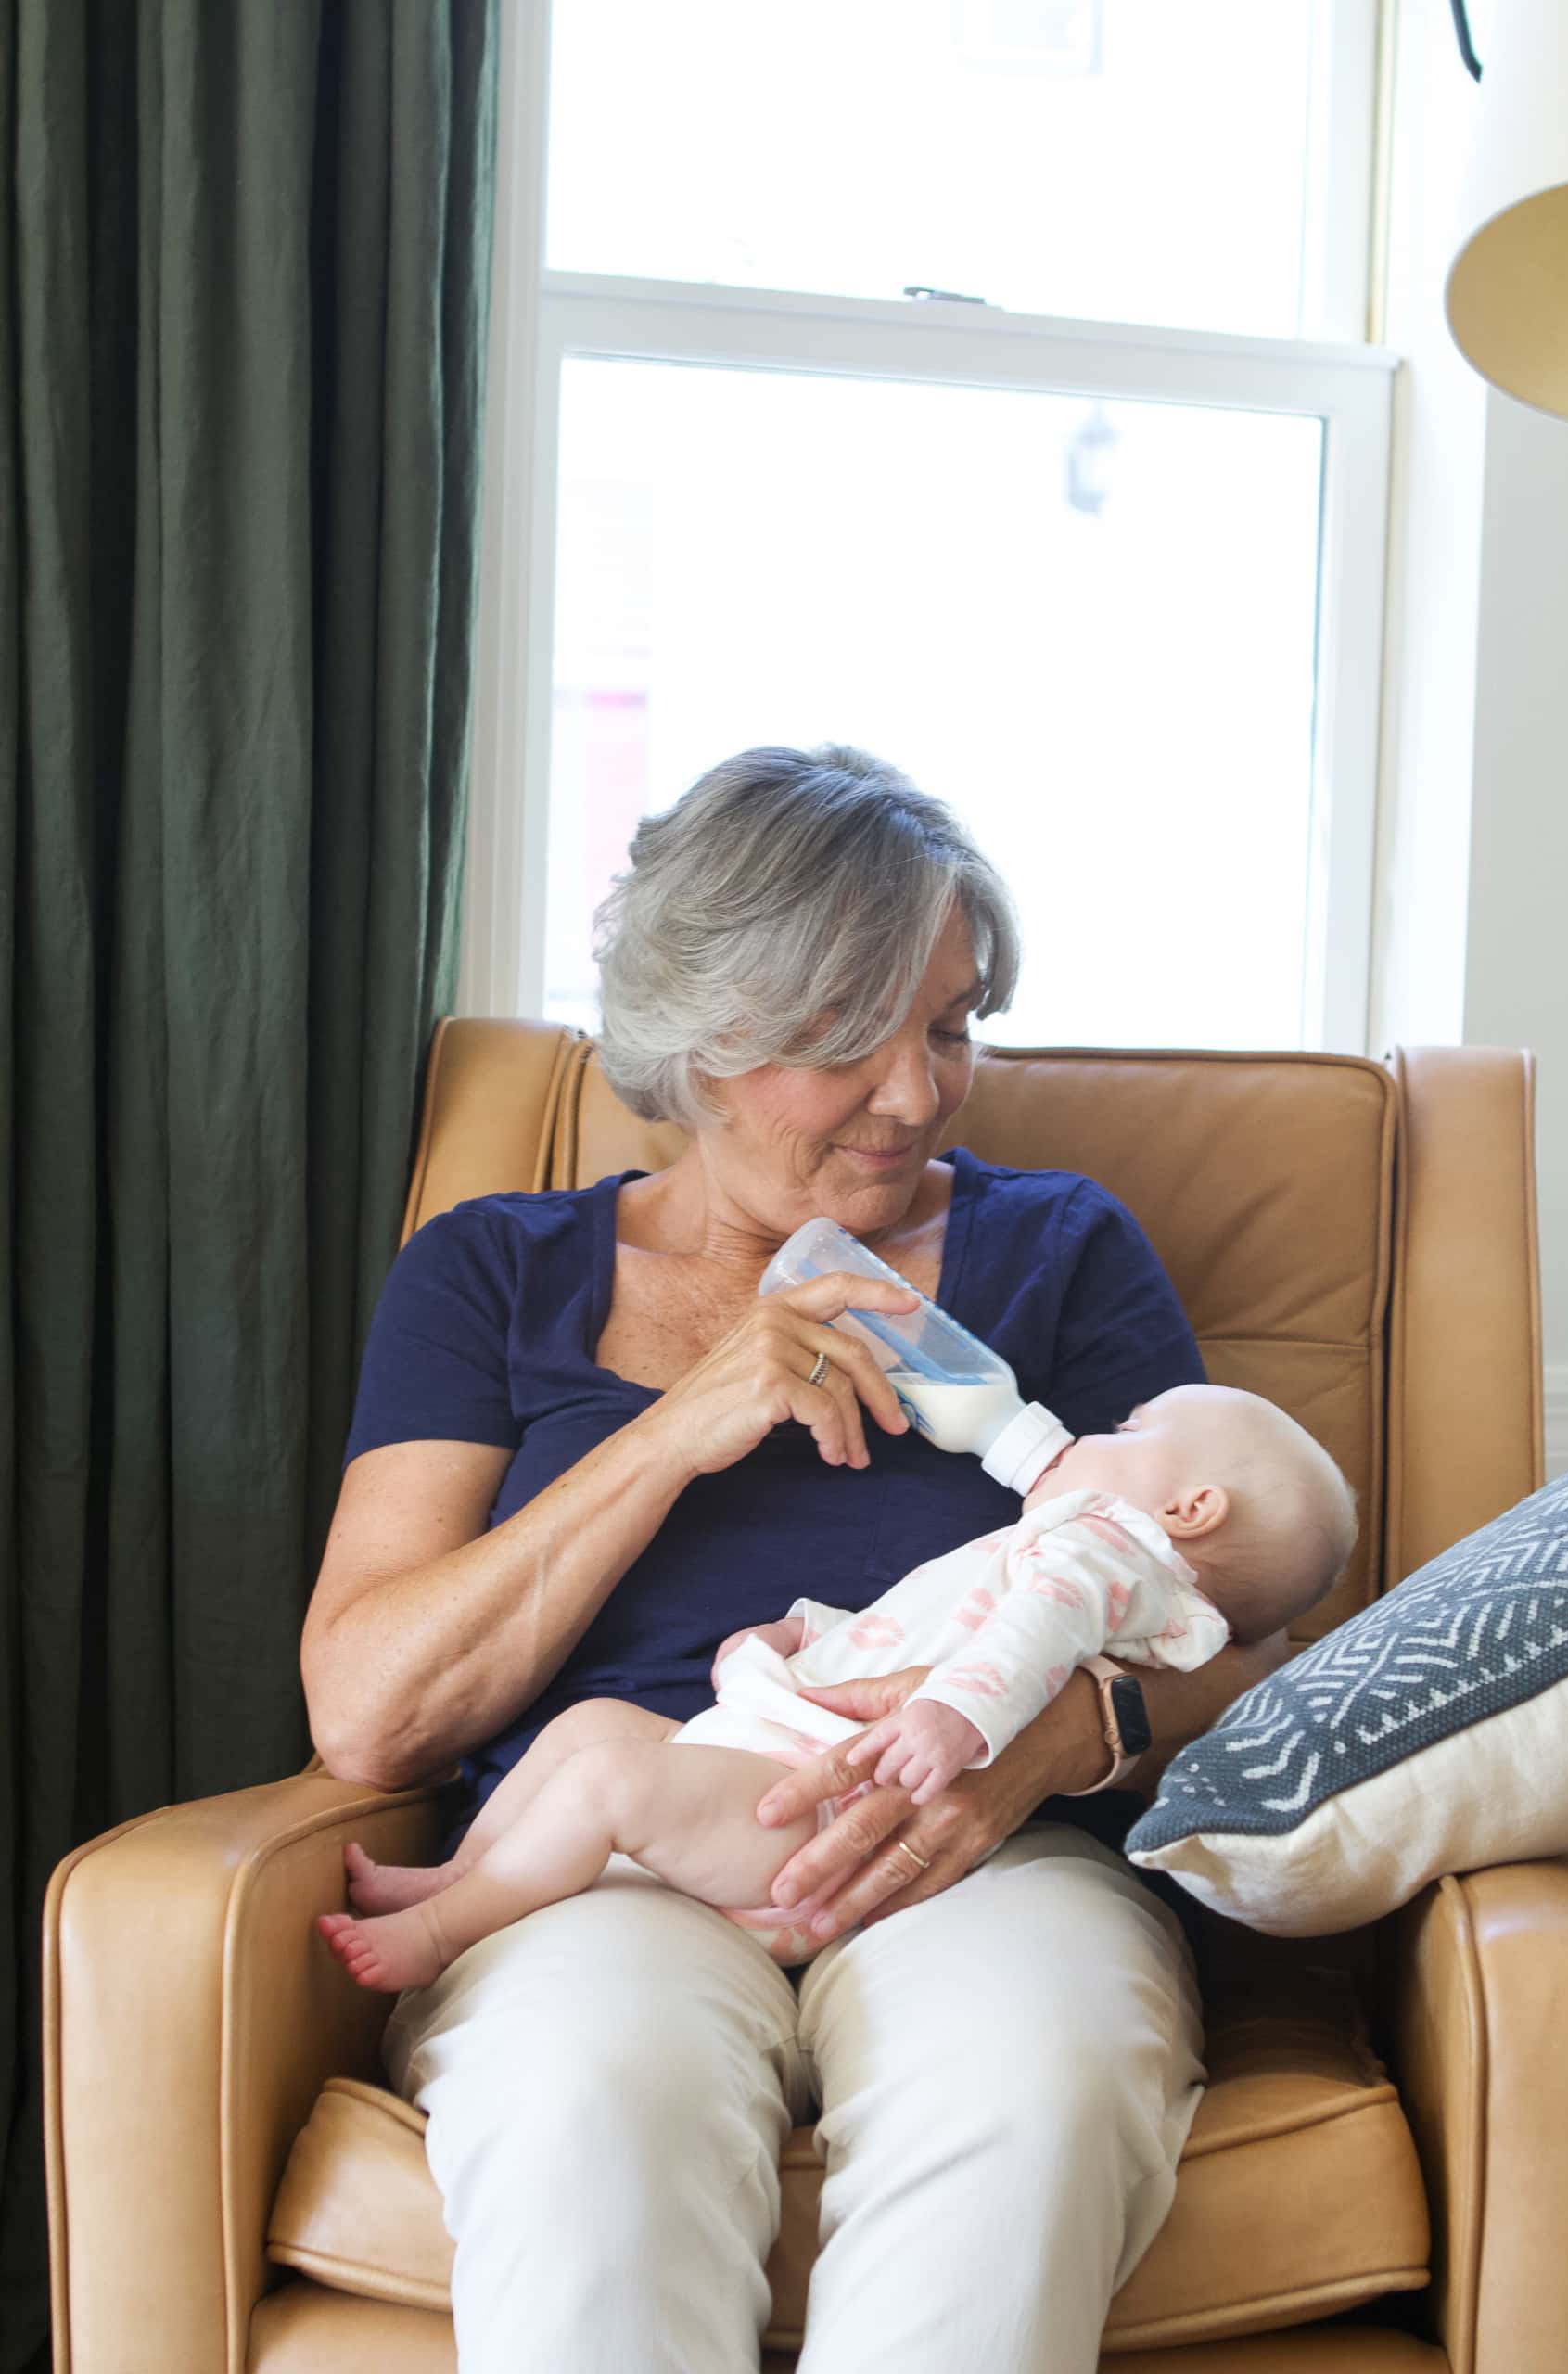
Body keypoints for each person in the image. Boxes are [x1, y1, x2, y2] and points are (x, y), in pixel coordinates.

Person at [300, 743, 1299, 2374]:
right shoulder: (494, 1272)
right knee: (583, 2101)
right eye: (854, 1037)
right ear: (701, 1039)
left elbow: (1237, 1639)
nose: (917, 1092)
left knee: (1031, 2086)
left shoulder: (1062, 1249)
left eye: (951, 1023)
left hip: (977, 1847)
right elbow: (367, 1713)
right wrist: (674, 1427)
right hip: (604, 1858)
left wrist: (1041, 1745)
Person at [317, 1383, 1354, 1992]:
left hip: (820, 1803)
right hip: (782, 1749)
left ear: (1190, 1507)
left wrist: (962, 1720)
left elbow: (1030, 1639)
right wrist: (807, 1634)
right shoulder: (1086, 1541)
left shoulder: (1101, 1552)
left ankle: (448, 1931)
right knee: (592, 1726)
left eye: (1126, 1436)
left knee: (606, 1786)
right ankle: (464, 1872)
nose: (1090, 1437)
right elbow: (925, 1623)